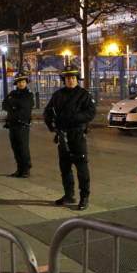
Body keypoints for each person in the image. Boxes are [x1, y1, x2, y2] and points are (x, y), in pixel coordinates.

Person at [43, 65, 96, 211]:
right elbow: (47, 111)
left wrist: (73, 118)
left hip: (77, 135)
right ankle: (69, 194)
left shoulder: (84, 94)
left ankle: (84, 197)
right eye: (67, 78)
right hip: (62, 135)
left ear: (77, 79)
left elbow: (90, 113)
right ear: (63, 80)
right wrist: (52, 125)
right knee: (65, 168)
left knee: (81, 168)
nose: (70, 80)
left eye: (73, 78)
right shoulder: (58, 95)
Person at [2, 72, 34, 178]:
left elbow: (24, 107)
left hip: (22, 125)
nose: (21, 84)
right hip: (12, 125)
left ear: (26, 82)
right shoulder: (12, 93)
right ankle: (19, 169)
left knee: (23, 148)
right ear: (16, 83)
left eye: (23, 82)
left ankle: (26, 169)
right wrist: (15, 105)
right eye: (19, 82)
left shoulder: (28, 94)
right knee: (15, 148)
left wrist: (13, 104)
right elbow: (4, 104)